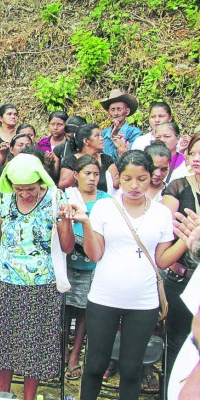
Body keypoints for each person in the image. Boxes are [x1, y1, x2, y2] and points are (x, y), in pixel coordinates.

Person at [0, 153, 75, 399]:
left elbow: (67, 247)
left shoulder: (55, 199)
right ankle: (3, 394)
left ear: (41, 181)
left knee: (35, 344)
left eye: (30, 189)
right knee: (3, 342)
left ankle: (29, 396)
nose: (25, 194)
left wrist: (64, 221)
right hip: (5, 283)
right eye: (19, 189)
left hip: (42, 285)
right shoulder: (4, 199)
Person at [74, 150, 187, 400]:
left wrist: (187, 241)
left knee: (131, 369)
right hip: (104, 298)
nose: (134, 186)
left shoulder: (160, 214)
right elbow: (95, 254)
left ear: (153, 177)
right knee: (94, 365)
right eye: (127, 179)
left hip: (143, 303)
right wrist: (85, 223)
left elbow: (162, 260)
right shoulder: (105, 207)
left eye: (142, 179)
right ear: (119, 178)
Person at [63, 155, 111, 380]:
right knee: (64, 309)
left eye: (96, 174)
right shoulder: (66, 196)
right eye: (87, 174)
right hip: (66, 262)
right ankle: (61, 350)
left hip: (92, 266)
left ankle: (74, 355)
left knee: (83, 310)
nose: (92, 179)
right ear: (76, 176)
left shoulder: (106, 201)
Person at [161, 134, 200, 387]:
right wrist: (187, 241)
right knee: (176, 344)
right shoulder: (178, 187)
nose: (197, 159)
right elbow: (163, 229)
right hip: (180, 277)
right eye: (194, 153)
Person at [59, 123, 119, 192]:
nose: (102, 139)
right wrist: (78, 171)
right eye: (97, 136)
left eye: (101, 136)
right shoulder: (70, 161)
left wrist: (122, 152)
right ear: (86, 141)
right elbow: (62, 186)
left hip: (103, 200)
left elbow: (117, 184)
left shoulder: (106, 159)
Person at [100, 89, 142, 162]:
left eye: (119, 109)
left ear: (127, 111)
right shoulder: (104, 133)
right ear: (109, 112)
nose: (116, 113)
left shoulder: (134, 133)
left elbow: (132, 158)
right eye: (112, 110)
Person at [37, 111, 69, 181]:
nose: (55, 128)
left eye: (59, 125)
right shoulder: (42, 143)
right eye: (52, 124)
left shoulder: (69, 144)